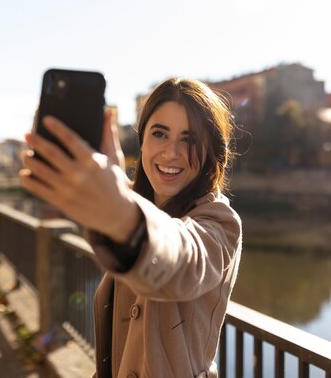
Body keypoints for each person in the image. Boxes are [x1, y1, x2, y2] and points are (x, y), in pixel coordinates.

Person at [20, 77, 242, 378]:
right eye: (160, 133)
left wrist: (121, 215)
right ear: (143, 141)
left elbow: (184, 258)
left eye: (189, 139)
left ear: (212, 152)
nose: (172, 152)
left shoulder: (219, 222)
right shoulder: (135, 203)